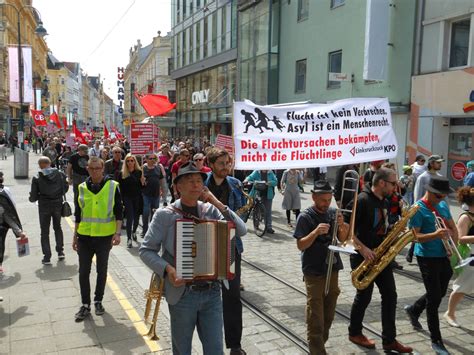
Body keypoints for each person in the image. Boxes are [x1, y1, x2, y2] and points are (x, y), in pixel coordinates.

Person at [139, 162, 246, 355]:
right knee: (182, 350)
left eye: (199, 181)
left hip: (212, 292)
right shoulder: (165, 215)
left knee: (215, 350)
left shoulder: (210, 210)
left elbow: (241, 230)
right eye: (190, 181)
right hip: (182, 294)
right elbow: (146, 250)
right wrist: (168, 270)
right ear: (178, 186)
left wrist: (216, 201)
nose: (196, 185)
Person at [348, 167, 412, 353]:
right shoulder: (362, 200)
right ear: (382, 183)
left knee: (390, 296)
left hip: (381, 255)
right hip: (363, 256)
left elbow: (381, 227)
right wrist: (363, 248)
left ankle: (389, 340)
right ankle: (355, 332)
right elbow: (345, 231)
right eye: (393, 183)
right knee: (364, 297)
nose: (396, 187)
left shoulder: (384, 201)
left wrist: (395, 229)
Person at [294, 180, 349, 355]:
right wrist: (315, 232)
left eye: (329, 199)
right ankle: (317, 351)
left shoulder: (333, 213)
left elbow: (343, 239)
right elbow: (301, 245)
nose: (327, 204)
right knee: (316, 315)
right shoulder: (305, 217)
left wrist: (342, 225)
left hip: (332, 268)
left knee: (329, 313)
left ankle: (319, 344)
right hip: (313, 271)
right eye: (323, 200)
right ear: (314, 197)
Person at [405, 177, 457, 355]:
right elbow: (414, 237)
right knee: (434, 299)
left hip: (444, 254)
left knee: (440, 292)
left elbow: (452, 226)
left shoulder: (442, 205)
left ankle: (414, 309)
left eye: (443, 196)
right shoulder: (418, 209)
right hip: (426, 256)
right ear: (431, 192)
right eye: (439, 196)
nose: (442, 199)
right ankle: (436, 340)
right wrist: (435, 234)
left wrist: (453, 246)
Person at [204, 148, 247, 355]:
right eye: (221, 163)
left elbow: (242, 219)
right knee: (206, 295)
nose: (225, 167)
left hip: (231, 245)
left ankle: (235, 345)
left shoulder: (236, 185)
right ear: (211, 164)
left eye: (228, 163)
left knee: (232, 297)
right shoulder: (200, 185)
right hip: (205, 244)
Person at [73, 157, 122, 322]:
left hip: (104, 237)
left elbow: (119, 212)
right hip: (84, 237)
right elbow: (78, 214)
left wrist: (117, 233)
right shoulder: (81, 188)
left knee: (102, 271)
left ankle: (98, 300)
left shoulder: (113, 186)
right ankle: (85, 304)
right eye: (91, 168)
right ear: (87, 169)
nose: (94, 171)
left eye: (97, 168)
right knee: (83, 272)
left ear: (103, 169)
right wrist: (75, 235)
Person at [444, 186, 474, 328]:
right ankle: (450, 313)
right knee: (462, 285)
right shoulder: (465, 217)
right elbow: (461, 238)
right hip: (469, 255)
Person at [29, 157, 68, 264]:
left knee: (44, 232)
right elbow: (66, 187)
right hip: (57, 203)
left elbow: (33, 197)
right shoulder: (60, 174)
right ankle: (60, 251)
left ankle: (47, 256)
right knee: (58, 227)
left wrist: (33, 197)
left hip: (44, 205)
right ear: (49, 163)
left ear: (40, 165)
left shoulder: (37, 177)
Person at [0, 171, 27, 274]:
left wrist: (18, 231)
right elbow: (11, 210)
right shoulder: (6, 191)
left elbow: (9, 213)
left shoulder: (5, 191)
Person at [119, 154, 145, 248]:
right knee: (130, 217)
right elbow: (120, 188)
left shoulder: (139, 172)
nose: (130, 162)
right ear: (125, 162)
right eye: (128, 161)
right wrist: (121, 200)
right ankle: (129, 238)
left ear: (135, 162)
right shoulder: (122, 173)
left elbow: (142, 187)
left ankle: (134, 232)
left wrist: (143, 182)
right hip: (127, 198)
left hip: (137, 197)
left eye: (132, 160)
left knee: (137, 217)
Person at [141, 153, 167, 237]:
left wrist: (164, 193)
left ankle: (152, 230)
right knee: (146, 212)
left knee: (154, 213)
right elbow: (140, 182)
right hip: (146, 194)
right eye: (150, 158)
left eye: (154, 158)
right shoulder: (143, 169)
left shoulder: (158, 168)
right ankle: (144, 230)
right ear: (146, 159)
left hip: (156, 194)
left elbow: (162, 181)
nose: (152, 160)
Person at [244, 170, 278, 234]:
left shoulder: (270, 173)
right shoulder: (257, 172)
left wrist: (268, 183)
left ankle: (269, 227)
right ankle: (256, 224)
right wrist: (246, 180)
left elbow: (275, 182)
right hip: (257, 193)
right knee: (257, 210)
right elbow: (250, 177)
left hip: (267, 194)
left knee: (268, 211)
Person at [67, 144, 89, 209]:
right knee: (77, 194)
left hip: (85, 177)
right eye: (84, 151)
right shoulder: (73, 157)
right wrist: (69, 178)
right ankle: (77, 209)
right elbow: (69, 168)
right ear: (80, 150)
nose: (85, 152)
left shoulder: (87, 156)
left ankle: (84, 208)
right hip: (76, 177)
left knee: (85, 194)